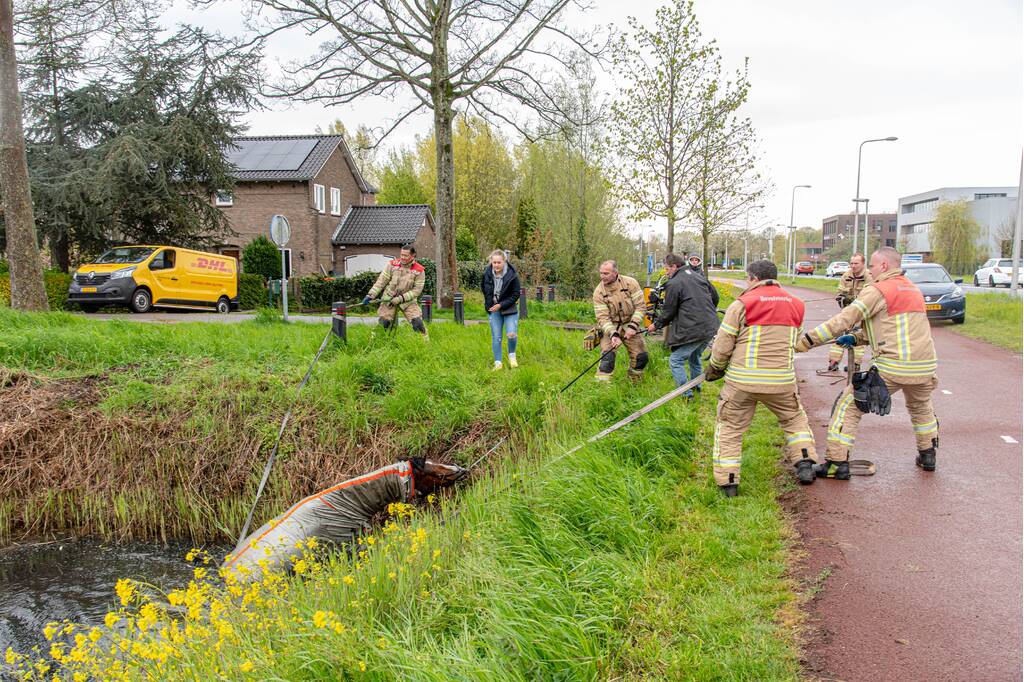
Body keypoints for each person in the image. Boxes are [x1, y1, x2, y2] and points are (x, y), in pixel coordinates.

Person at [796, 246, 939, 479]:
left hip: (893, 366)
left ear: (884, 266)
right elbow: (890, 328)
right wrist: (856, 338)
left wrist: (807, 341)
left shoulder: (877, 290)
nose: (870, 270)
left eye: (872, 265)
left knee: (848, 406)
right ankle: (928, 455)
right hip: (925, 367)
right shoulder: (913, 289)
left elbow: (843, 319)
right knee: (922, 409)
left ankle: (836, 463)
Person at [704, 259, 819, 496]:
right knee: (794, 420)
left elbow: (723, 344)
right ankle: (805, 464)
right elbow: (794, 341)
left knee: (730, 427)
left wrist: (715, 368)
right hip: (782, 380)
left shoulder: (742, 304)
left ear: (753, 278)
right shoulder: (797, 304)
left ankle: (729, 483)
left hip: (742, 381)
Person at [646, 253, 720, 398]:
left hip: (696, 328)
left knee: (676, 360)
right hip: (711, 325)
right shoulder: (698, 276)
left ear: (674, 266)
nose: (666, 272)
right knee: (694, 357)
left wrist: (656, 325)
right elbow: (715, 297)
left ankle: (686, 395)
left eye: (667, 269)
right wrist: (706, 311)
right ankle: (696, 387)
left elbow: (669, 310)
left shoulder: (674, 283)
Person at [592, 260, 648, 382]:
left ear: (616, 272)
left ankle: (634, 384)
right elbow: (602, 317)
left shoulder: (630, 283)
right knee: (607, 359)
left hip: (630, 323)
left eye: (606, 273)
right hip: (610, 327)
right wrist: (613, 334)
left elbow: (641, 307)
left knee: (641, 357)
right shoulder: (598, 292)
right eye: (601, 273)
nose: (602, 276)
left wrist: (633, 327)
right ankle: (602, 391)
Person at [362, 244, 427, 335]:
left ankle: (425, 344)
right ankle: (373, 343)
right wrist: (370, 295)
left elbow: (417, 290)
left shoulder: (419, 270)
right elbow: (381, 282)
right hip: (389, 299)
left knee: (418, 323)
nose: (403, 258)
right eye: (401, 255)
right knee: (384, 324)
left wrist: (400, 299)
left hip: (408, 302)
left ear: (413, 256)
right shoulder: (392, 265)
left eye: (406, 255)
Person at [827, 253, 872, 372]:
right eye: (851, 263)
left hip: (861, 313)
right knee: (838, 333)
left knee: (857, 337)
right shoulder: (846, 276)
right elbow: (840, 291)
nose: (853, 266)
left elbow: (869, 297)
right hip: (847, 311)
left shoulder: (869, 277)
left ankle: (855, 364)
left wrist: (853, 300)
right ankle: (834, 361)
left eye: (856, 263)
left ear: (863, 264)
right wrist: (841, 298)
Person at [481, 250, 521, 370]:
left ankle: (512, 355)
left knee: (511, 334)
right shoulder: (486, 274)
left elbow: (516, 294)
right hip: (494, 309)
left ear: (504, 262)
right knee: (496, 337)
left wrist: (501, 304)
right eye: (494, 262)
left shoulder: (512, 275)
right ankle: (498, 363)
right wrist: (490, 304)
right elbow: (484, 289)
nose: (496, 265)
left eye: (499, 262)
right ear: (491, 262)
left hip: (509, 308)